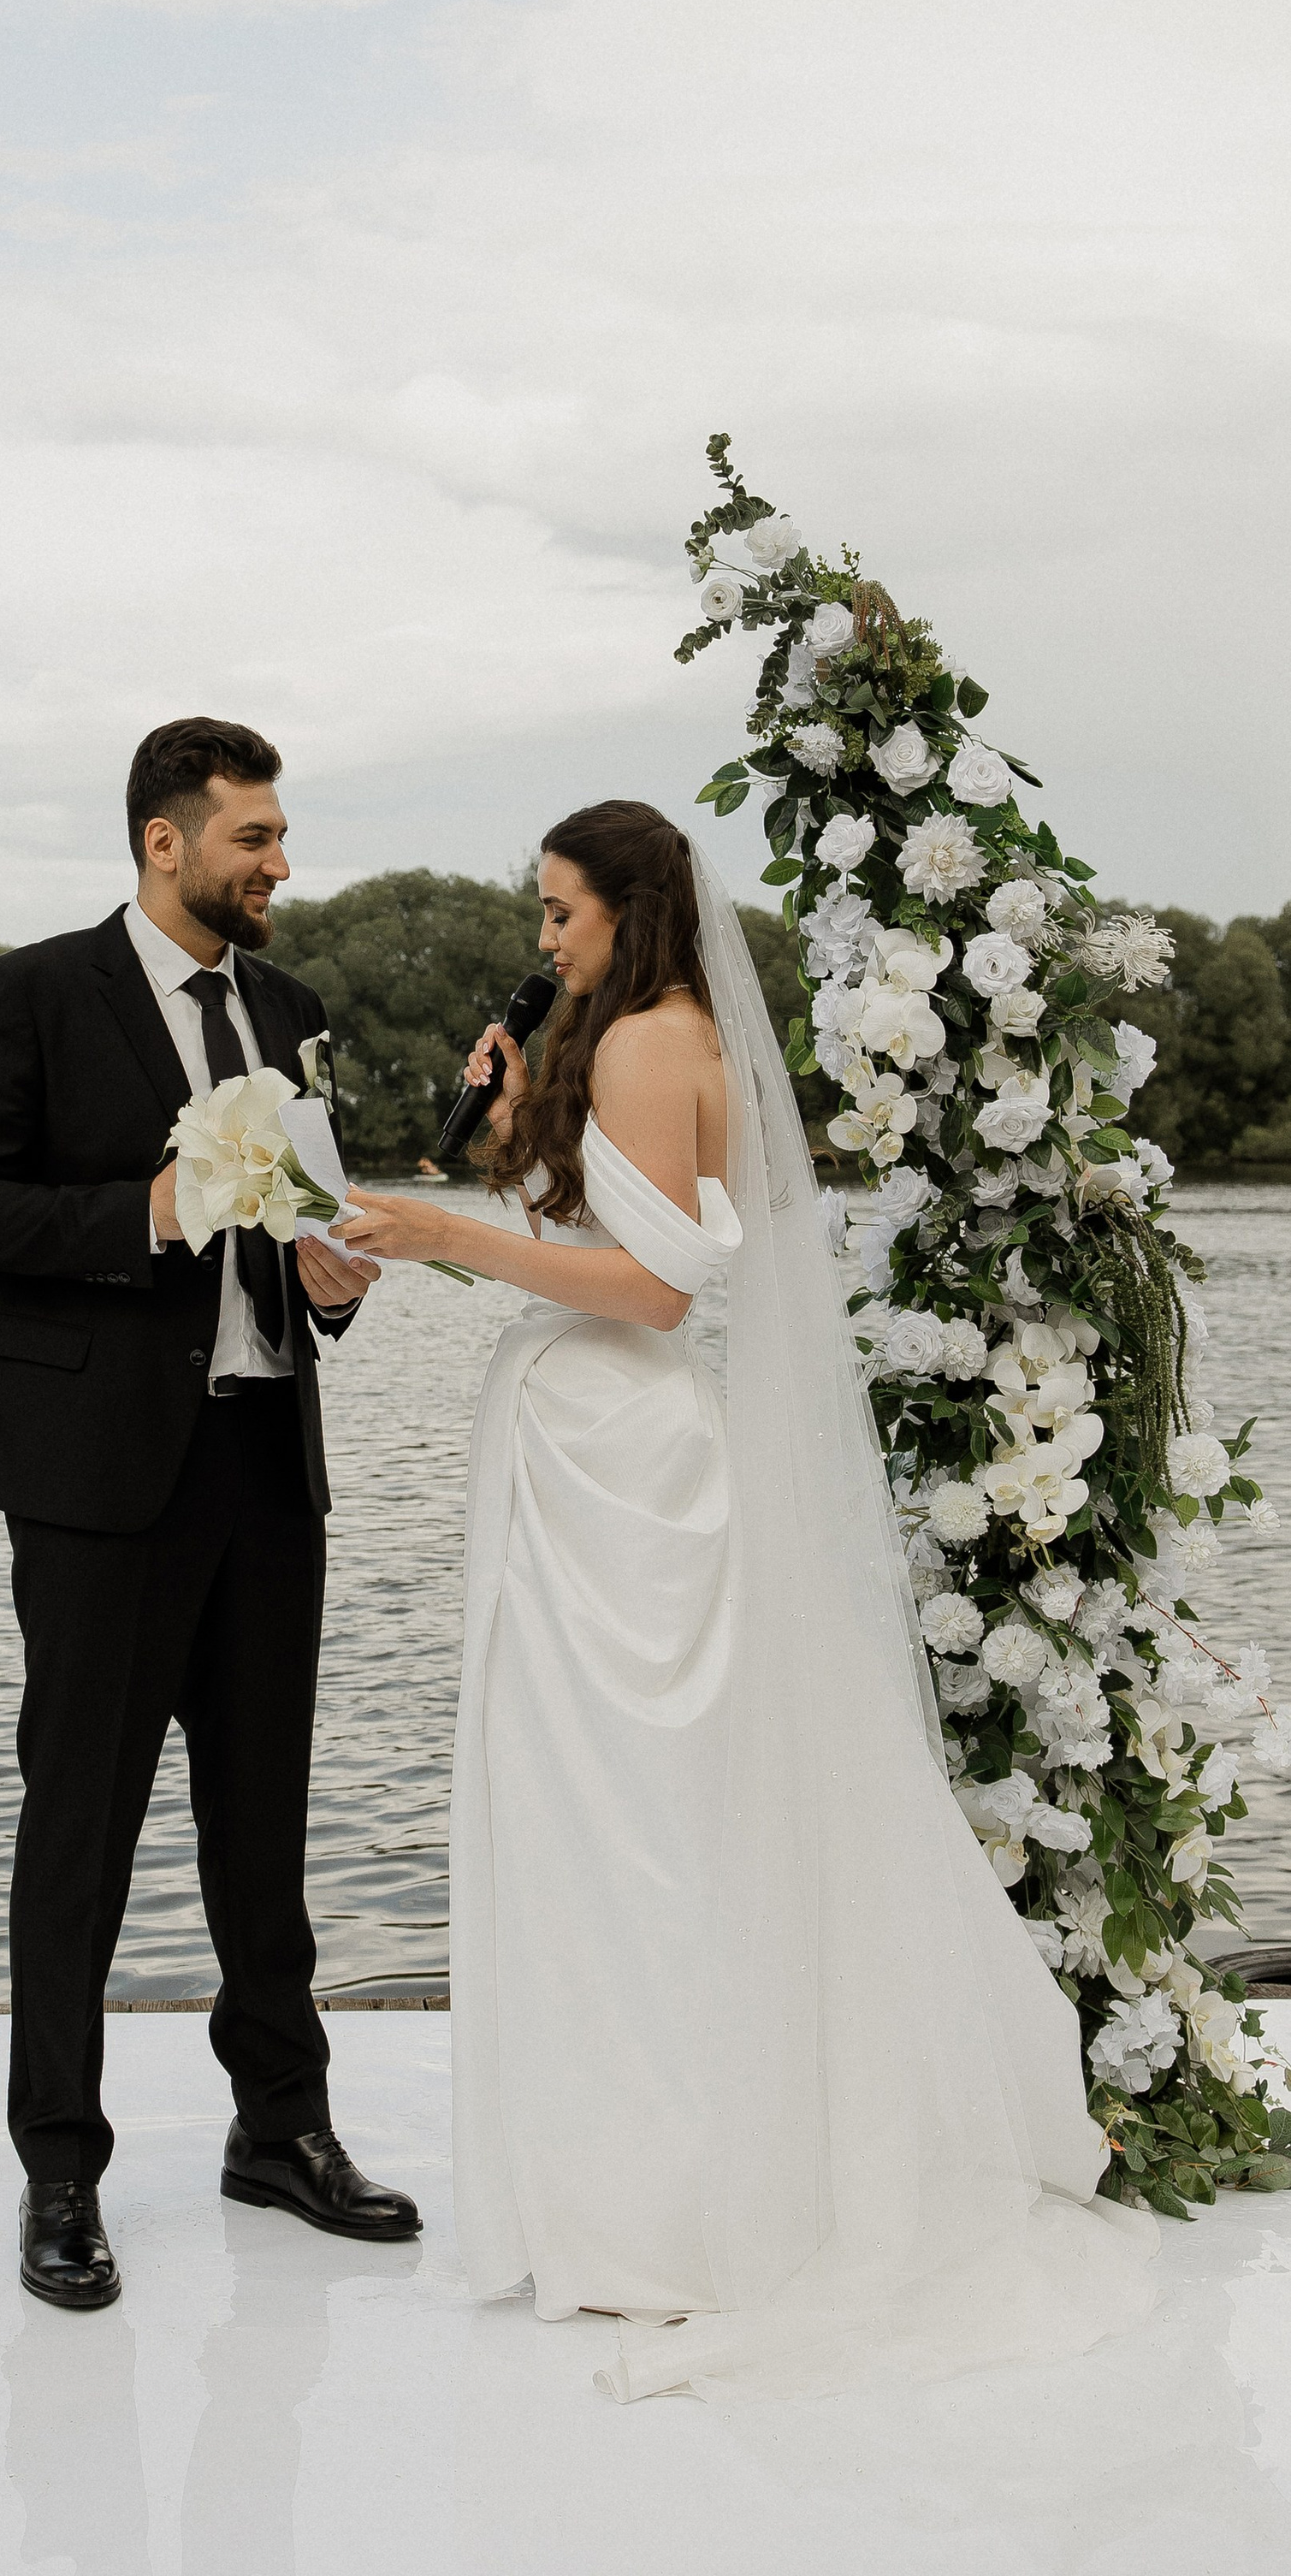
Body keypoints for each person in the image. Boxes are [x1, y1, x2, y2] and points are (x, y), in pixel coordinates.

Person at [332, 799, 1154, 2402]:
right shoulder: (644, 1036)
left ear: (630, 912)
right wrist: (505, 1133)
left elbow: (650, 1288)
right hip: (611, 1443)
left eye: (561, 911)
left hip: (617, 1455)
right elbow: (613, 1221)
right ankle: (656, 2177)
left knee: (622, 1819)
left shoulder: (647, 1040)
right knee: (620, 1813)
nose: (543, 938)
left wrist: (444, 1232)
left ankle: (660, 2211)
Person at [0, 717, 418, 2313]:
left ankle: (283, 2127)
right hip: (96, 1482)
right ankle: (59, 2170)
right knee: (81, 1830)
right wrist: (143, 1209)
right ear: (165, 842)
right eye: (255, 838)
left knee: (262, 1824)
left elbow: (299, 1216)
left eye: (278, 837)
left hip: (271, 1464)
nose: (279, 864)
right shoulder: (35, 993)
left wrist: (330, 1276)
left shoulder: (290, 1006)